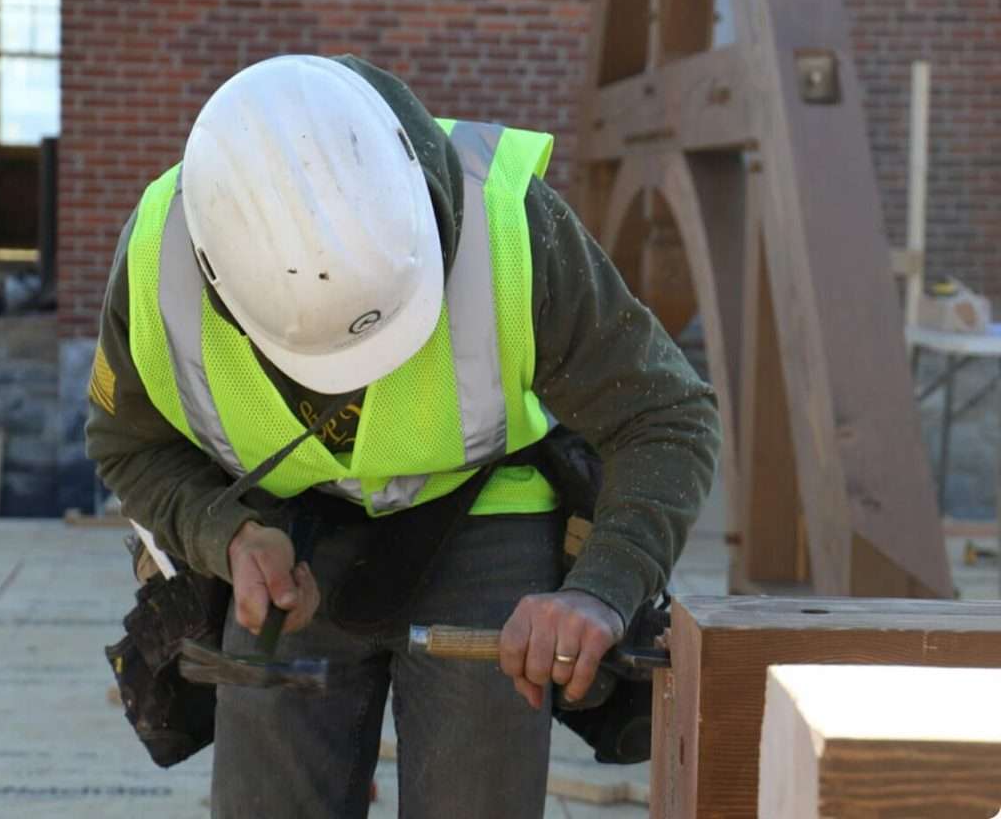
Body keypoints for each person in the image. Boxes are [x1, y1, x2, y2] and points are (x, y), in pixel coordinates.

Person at [86, 54, 720, 818]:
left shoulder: (512, 228)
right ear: (220, 280)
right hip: (289, 544)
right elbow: (128, 445)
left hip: (483, 510)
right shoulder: (157, 264)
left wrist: (601, 591)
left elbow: (665, 414)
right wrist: (228, 534)